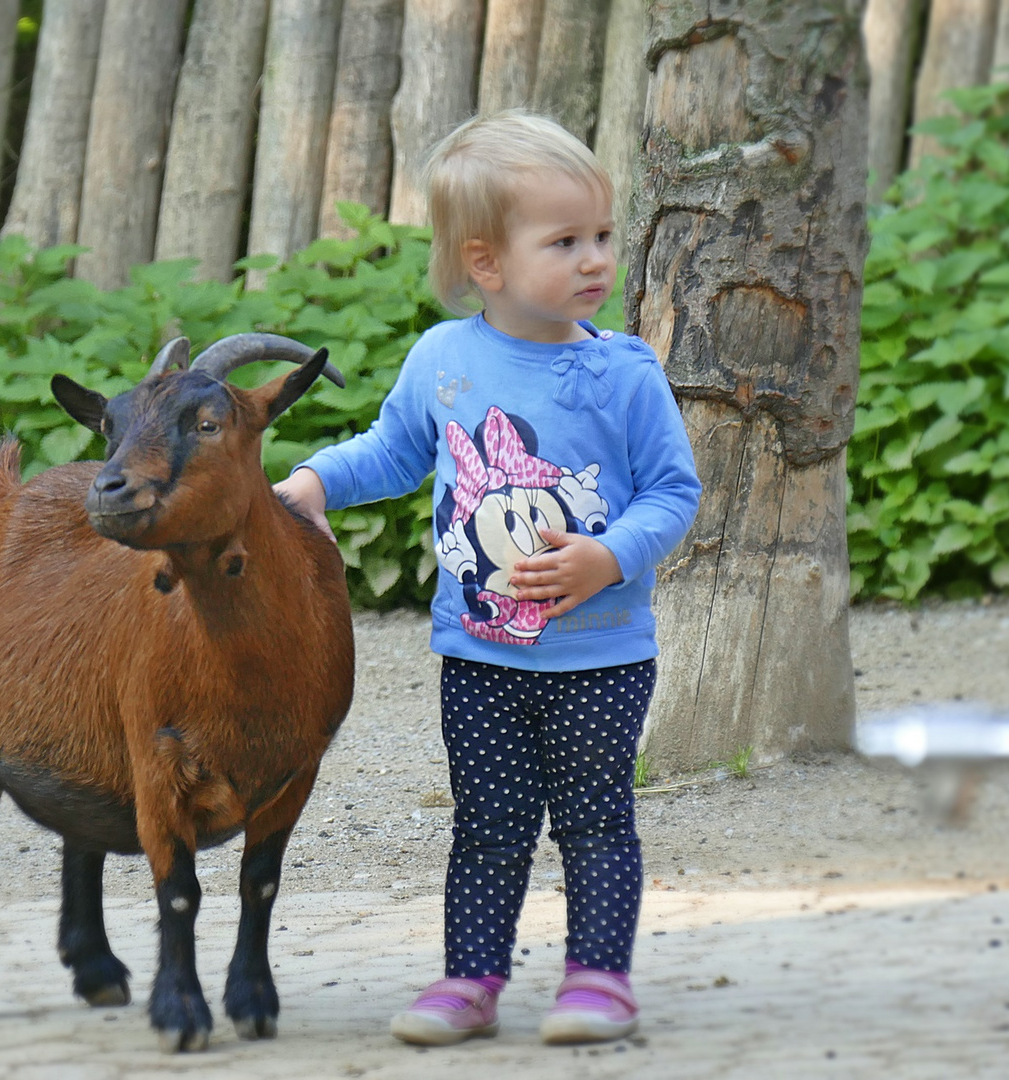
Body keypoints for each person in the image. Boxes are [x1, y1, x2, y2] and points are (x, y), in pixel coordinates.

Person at [275, 110, 701, 1046]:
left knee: (593, 818)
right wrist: (311, 482)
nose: (595, 259)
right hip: (477, 653)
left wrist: (609, 555)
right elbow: (391, 453)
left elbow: (674, 492)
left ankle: (598, 980)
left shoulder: (625, 374)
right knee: (488, 823)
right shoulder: (444, 361)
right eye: (565, 241)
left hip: (599, 653)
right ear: (486, 264)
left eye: (601, 235)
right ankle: (470, 982)